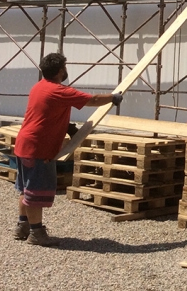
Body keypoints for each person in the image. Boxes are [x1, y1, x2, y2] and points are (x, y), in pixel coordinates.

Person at [13, 53, 123, 246]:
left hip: (24, 145)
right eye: (64, 67)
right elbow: (93, 99)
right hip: (38, 148)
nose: (66, 70)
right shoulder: (59, 91)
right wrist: (113, 98)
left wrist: (68, 127)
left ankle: (23, 226)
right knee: (35, 193)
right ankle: (36, 232)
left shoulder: (38, 87)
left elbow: (47, 113)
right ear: (59, 70)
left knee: (26, 189)